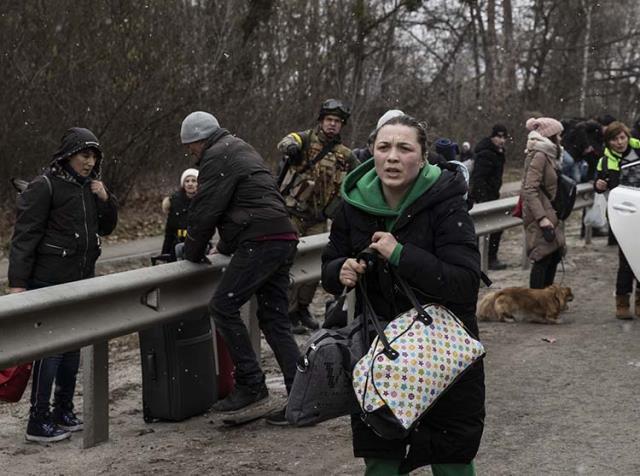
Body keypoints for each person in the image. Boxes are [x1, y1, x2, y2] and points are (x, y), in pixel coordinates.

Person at [322, 114, 484, 475]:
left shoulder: (447, 203)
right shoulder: (352, 206)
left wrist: (401, 254)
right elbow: (329, 268)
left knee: (451, 457)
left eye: (404, 148)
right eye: (384, 147)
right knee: (381, 457)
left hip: (444, 351)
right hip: (379, 352)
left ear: (423, 157)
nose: (392, 156)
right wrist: (340, 270)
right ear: (372, 154)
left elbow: (464, 283)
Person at [180, 111, 300, 425]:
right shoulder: (240, 147)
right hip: (283, 234)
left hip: (262, 240)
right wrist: (225, 247)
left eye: (190, 146)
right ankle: (302, 393)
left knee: (223, 306)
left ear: (200, 140)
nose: (190, 153)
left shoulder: (215, 156)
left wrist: (191, 252)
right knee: (274, 319)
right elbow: (245, 203)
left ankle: (250, 383)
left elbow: (206, 210)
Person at [8, 127, 118, 442]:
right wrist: (18, 285)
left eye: (94, 156)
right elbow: (24, 237)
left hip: (81, 281)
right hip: (48, 281)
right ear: (69, 155)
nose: (90, 161)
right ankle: (37, 421)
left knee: (72, 350)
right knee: (51, 352)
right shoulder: (45, 186)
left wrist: (105, 197)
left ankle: (63, 411)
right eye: (85, 155)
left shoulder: (89, 188)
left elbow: (108, 227)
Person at [277, 99, 359, 333]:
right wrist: (291, 148)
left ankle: (303, 308)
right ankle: (288, 311)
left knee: (315, 267)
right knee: (290, 262)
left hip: (318, 218)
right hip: (292, 214)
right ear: (321, 121)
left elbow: (362, 173)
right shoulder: (304, 139)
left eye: (337, 122)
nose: (332, 125)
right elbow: (286, 141)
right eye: (329, 120)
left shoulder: (344, 154)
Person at [594, 121, 640, 318]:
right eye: (615, 139)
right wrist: (599, 184)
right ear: (608, 141)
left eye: (622, 137)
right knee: (626, 260)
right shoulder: (604, 161)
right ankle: (622, 301)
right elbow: (597, 185)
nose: (620, 142)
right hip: (621, 217)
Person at [521, 117, 566, 289]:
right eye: (558, 135)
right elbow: (529, 189)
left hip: (550, 211)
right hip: (542, 215)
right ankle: (536, 303)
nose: (560, 139)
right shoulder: (540, 155)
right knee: (542, 257)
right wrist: (541, 218)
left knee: (553, 255)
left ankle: (546, 301)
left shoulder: (549, 155)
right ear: (550, 135)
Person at [469, 124, 508, 269]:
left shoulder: (499, 152)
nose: (502, 140)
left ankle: (490, 258)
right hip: (482, 198)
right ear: (492, 137)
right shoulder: (486, 153)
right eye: (498, 136)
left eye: (504, 137)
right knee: (482, 230)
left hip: (492, 195)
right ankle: (485, 259)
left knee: (496, 227)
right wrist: (483, 199)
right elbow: (478, 179)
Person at [160, 168, 199, 261]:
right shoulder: (175, 202)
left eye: (194, 181)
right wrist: (165, 253)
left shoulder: (203, 202)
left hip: (198, 246)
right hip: (176, 245)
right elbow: (169, 231)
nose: (190, 184)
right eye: (187, 181)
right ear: (183, 184)